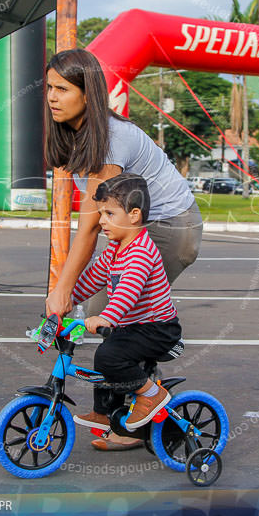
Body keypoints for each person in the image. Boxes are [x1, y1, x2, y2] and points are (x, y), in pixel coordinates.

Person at [43, 48, 201, 449]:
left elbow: (92, 224)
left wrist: (63, 288)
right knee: (97, 311)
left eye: (62, 89)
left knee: (117, 318)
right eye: (48, 88)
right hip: (133, 226)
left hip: (168, 226)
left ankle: (143, 409)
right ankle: (124, 409)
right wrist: (66, 287)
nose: (52, 97)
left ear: (87, 93)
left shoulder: (112, 140)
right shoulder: (79, 135)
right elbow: (88, 232)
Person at [69, 174, 182, 436]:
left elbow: (128, 291)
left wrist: (106, 317)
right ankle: (104, 412)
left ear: (134, 215)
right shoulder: (115, 248)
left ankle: (151, 394)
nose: (101, 221)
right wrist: (67, 299)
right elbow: (93, 278)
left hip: (158, 329)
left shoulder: (142, 250)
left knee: (111, 356)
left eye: (109, 213)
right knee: (105, 355)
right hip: (134, 327)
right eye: (100, 213)